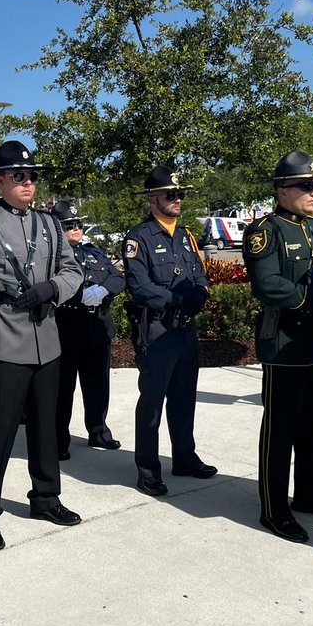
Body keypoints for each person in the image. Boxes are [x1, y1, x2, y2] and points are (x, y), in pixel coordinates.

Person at [0, 140, 84, 550]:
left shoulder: (48, 224)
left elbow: (73, 271)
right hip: (5, 339)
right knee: (2, 429)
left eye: (31, 176)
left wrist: (52, 288)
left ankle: (46, 497)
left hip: (47, 338)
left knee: (47, 426)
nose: (27, 183)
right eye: (18, 176)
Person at [243, 151, 313, 543]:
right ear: (281, 190)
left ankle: (310, 492)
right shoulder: (265, 231)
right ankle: (274, 508)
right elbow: (268, 284)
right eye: (306, 185)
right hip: (285, 344)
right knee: (281, 430)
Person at [123, 165, 215, 496]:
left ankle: (185, 458)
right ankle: (148, 469)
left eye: (180, 194)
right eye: (171, 194)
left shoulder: (186, 235)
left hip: (185, 331)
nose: (177, 199)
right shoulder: (138, 238)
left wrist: (199, 296)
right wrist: (176, 300)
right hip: (158, 332)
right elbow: (138, 285)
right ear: (152, 199)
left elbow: (199, 275)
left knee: (183, 398)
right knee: (152, 403)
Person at [52, 200, 125, 459]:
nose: (76, 228)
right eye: (69, 225)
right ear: (57, 228)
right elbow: (49, 288)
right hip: (67, 332)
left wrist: (104, 289)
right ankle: (59, 441)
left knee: (98, 387)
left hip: (97, 329)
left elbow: (117, 276)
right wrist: (77, 298)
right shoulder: (52, 257)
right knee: (63, 392)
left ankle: (98, 431)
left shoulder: (92, 252)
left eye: (78, 224)